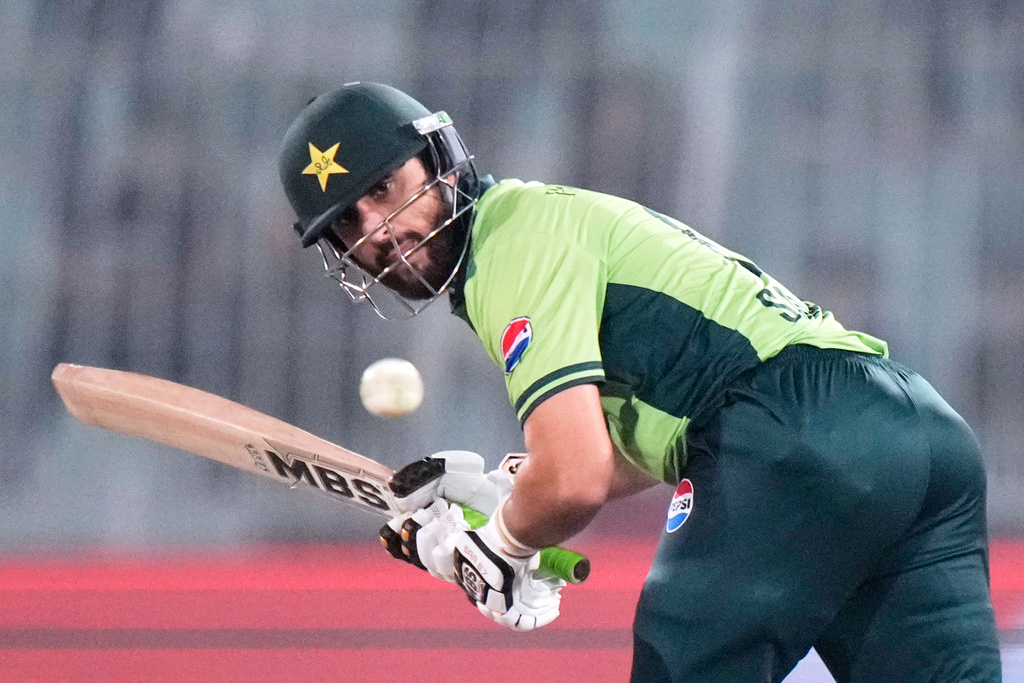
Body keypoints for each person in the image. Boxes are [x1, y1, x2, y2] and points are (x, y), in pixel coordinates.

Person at [277, 82, 1002, 682]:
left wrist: (499, 545)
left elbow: (576, 479)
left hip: (793, 432)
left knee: (676, 661)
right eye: (349, 222)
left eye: (383, 187)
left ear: (439, 160)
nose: (380, 229)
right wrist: (513, 494)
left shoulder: (508, 242)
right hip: (912, 429)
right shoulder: (535, 228)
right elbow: (627, 442)